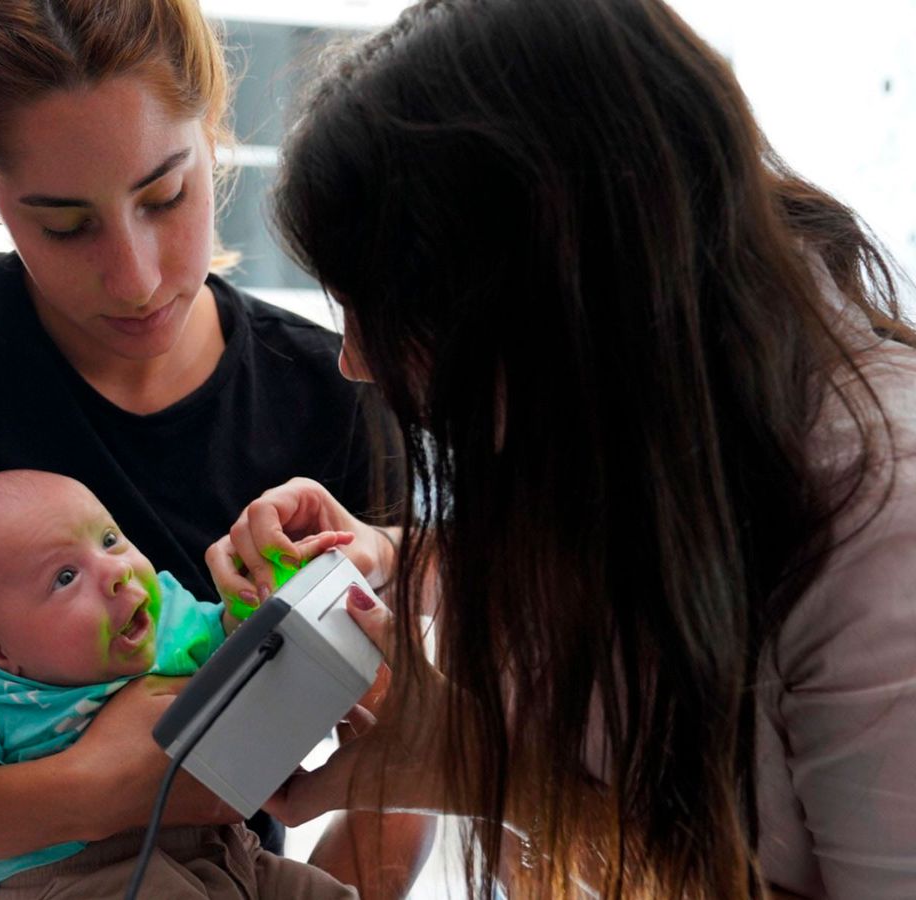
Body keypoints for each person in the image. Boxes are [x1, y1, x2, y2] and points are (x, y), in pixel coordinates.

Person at [205, 0, 916, 897]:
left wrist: (475, 763)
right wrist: (392, 556)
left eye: (384, 313)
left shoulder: (883, 530)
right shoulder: (652, 422)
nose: (351, 359)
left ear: (540, 299)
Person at [0, 2, 432, 898]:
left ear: (213, 137)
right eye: (66, 224)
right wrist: (97, 789)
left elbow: (400, 759)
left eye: (164, 195)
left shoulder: (331, 390)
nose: (135, 277)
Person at [0, 468, 356, 898]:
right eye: (64, 577)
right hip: (86, 877)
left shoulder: (169, 621)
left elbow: (244, 652)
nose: (118, 572)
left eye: (108, 540)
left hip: (227, 849)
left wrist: (262, 597)